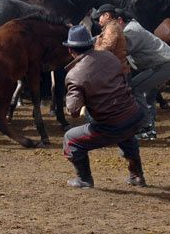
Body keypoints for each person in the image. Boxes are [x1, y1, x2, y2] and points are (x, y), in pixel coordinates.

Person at [62, 24, 146, 188]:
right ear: (92, 44)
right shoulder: (110, 57)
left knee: (70, 139)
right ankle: (137, 176)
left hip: (112, 125)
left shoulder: (74, 75)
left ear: (71, 50)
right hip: (134, 115)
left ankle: (84, 179)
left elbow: (73, 111)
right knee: (127, 135)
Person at [116, 11, 170, 140]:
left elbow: (121, 50)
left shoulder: (131, 31)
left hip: (163, 64)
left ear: (120, 20)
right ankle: (149, 128)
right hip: (162, 63)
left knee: (135, 89)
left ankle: (147, 126)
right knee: (147, 95)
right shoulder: (132, 26)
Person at [92, 4, 129, 75]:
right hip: (119, 69)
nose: (99, 20)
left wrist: (94, 47)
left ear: (107, 15)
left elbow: (105, 49)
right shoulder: (112, 26)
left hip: (118, 72)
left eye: (99, 17)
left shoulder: (111, 28)